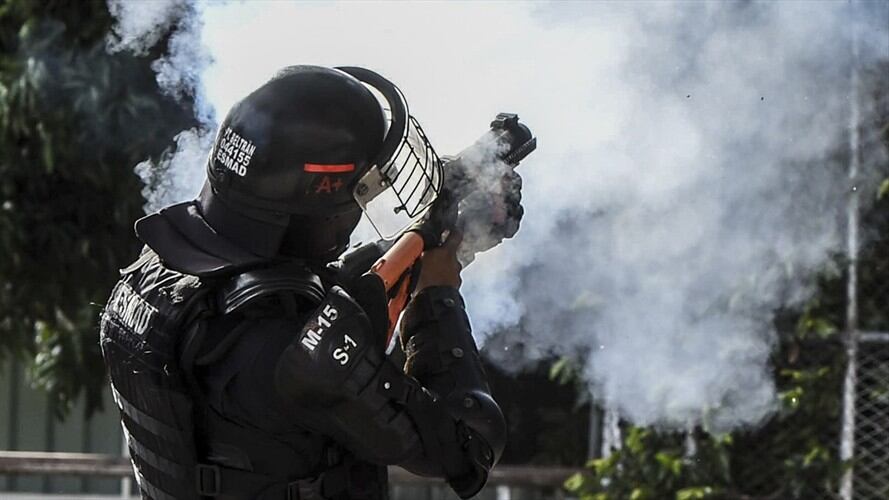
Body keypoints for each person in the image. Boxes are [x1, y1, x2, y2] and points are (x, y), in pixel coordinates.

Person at [99, 65, 523, 500]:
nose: (359, 210)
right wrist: (437, 291)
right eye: (358, 196)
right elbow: (469, 443)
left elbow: (314, 294)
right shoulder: (284, 345)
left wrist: (430, 237)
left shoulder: (160, 274)